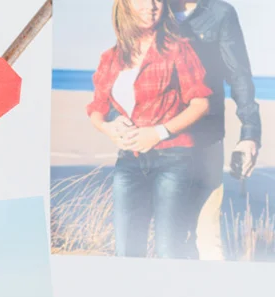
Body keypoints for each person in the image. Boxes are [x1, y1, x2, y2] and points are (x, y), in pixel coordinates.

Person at [87, 0, 212, 258]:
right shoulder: (111, 58)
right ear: (125, 5)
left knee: (168, 253)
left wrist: (158, 132)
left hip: (173, 161)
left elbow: (200, 104)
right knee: (126, 252)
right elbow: (97, 107)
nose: (151, 5)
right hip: (128, 163)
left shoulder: (178, 49)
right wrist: (108, 128)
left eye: (158, 0)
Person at [172, 0, 261, 260]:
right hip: (156, 142)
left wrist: (250, 134)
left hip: (205, 139)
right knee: (167, 238)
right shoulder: (151, 8)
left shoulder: (221, 13)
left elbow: (239, 75)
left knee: (208, 236)